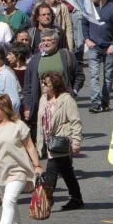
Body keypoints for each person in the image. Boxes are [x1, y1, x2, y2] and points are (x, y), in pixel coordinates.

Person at [0, 94, 44, 224]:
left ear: (4, 108)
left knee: (9, 200)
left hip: (18, 170)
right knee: (9, 202)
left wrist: (37, 165)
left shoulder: (18, 125)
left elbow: (30, 146)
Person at [36, 73, 84, 210]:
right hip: (48, 141)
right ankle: (76, 198)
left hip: (61, 142)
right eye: (42, 83)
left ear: (55, 85)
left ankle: (45, 202)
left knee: (51, 172)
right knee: (67, 171)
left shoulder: (66, 100)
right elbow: (40, 123)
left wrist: (76, 141)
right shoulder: (43, 99)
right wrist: (39, 143)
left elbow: (75, 121)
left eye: (46, 84)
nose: (43, 86)